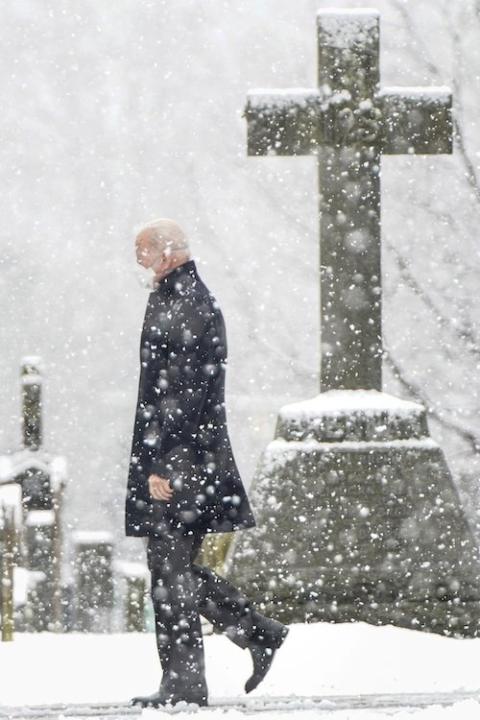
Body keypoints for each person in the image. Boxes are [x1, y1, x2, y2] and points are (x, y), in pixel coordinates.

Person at [125, 218, 289, 708]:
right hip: (185, 456)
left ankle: (203, 669)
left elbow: (184, 394)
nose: (136, 260)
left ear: (167, 253)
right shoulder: (174, 297)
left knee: (171, 570)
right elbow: (164, 388)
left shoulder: (189, 304)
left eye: (142, 250)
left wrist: (160, 463)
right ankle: (245, 638)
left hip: (185, 460)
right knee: (170, 571)